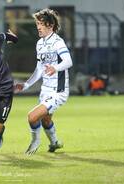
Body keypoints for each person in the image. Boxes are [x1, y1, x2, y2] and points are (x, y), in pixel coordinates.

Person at [14, 8, 73, 155]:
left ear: (50, 25)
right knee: (46, 120)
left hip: (58, 91)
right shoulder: (40, 44)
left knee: (32, 116)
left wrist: (55, 67)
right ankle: (54, 143)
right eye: (37, 24)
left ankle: (35, 141)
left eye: (41, 24)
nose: (38, 27)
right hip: (45, 90)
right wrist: (26, 84)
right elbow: (39, 69)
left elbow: (68, 61)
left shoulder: (58, 42)